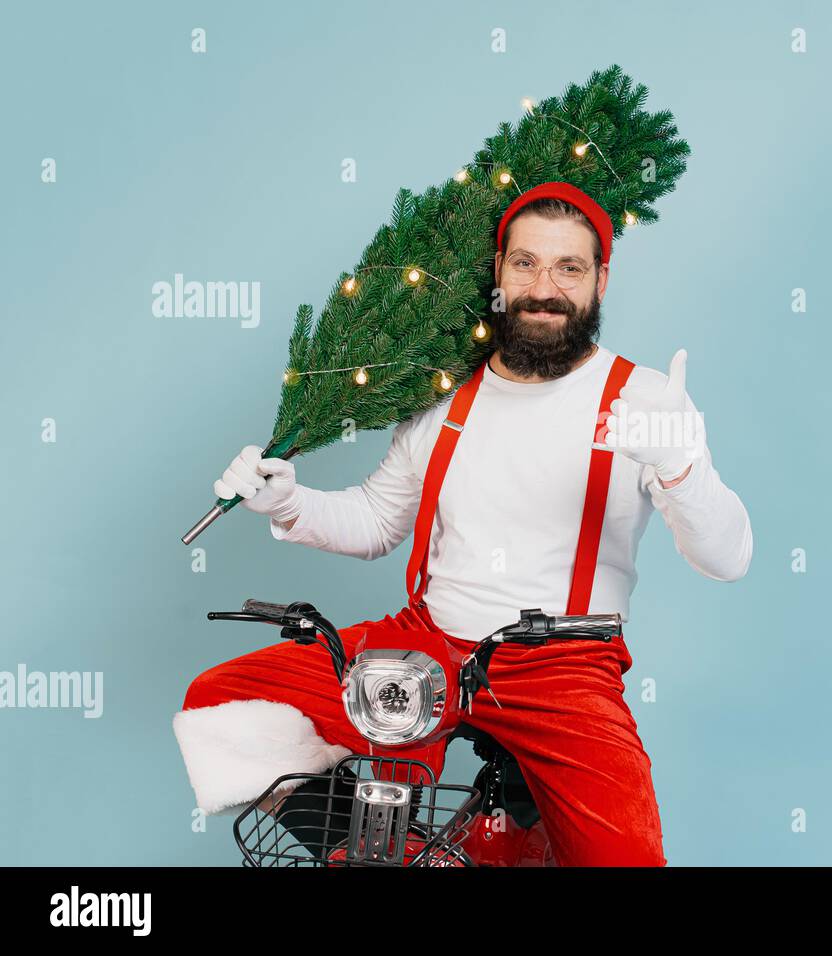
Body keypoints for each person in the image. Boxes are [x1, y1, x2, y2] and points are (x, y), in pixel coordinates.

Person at [173, 181, 753, 866]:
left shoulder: (649, 400)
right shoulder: (446, 398)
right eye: (525, 263)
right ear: (499, 272)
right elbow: (376, 521)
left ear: (600, 279)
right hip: (425, 647)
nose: (544, 287)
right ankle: (415, 859)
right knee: (219, 699)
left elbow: (727, 557)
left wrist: (682, 465)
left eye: (569, 268)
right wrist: (289, 503)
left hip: (564, 668)